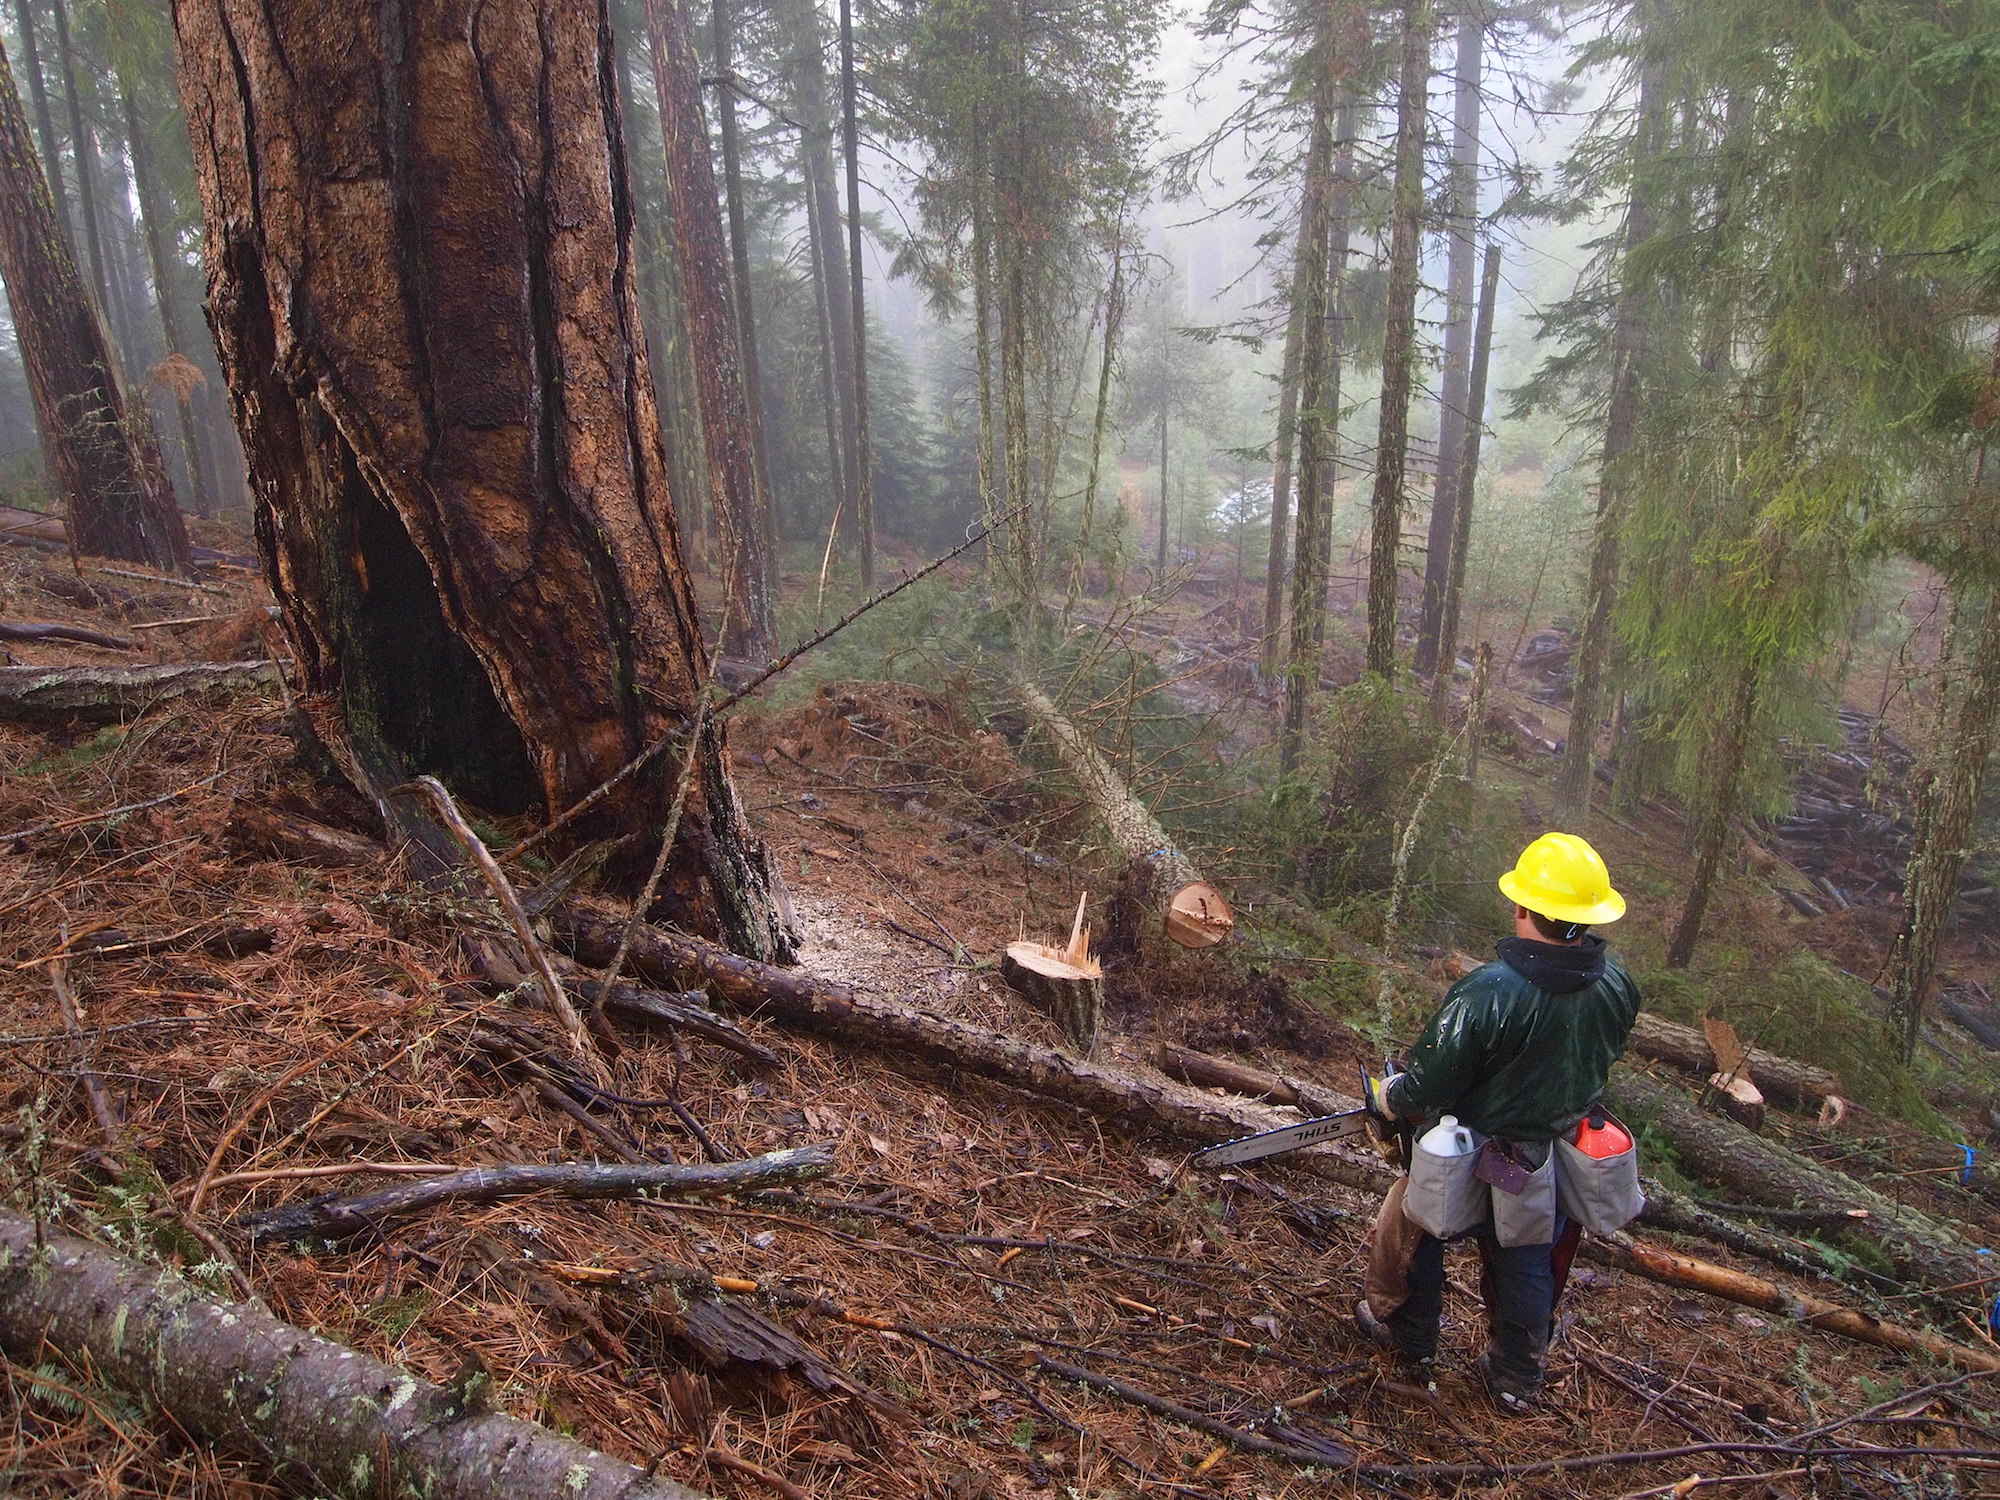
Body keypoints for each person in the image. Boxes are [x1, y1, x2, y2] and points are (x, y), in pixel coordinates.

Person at [1355, 831, 1641, 1413]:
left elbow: (1430, 1085)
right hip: (1548, 1158)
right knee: (1529, 1256)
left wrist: (1391, 1098)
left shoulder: (1488, 992)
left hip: (1463, 1149)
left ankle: (1409, 1335)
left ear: (1523, 907)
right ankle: (1516, 1371)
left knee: (1417, 1224)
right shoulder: (1616, 986)